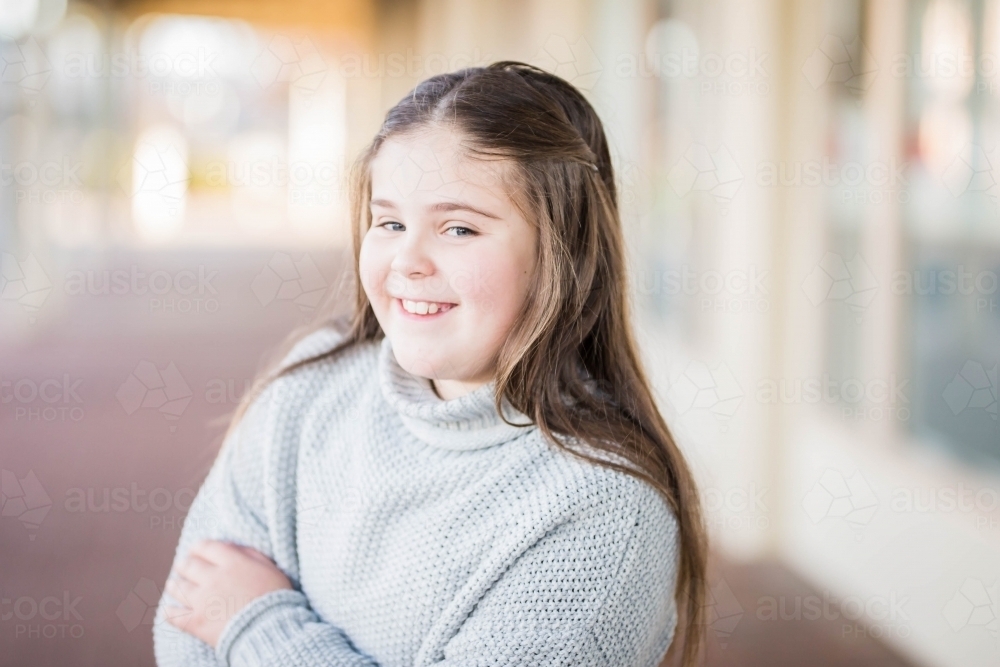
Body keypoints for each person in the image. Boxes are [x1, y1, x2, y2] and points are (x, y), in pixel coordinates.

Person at [153, 61, 707, 667]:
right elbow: (186, 624)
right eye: (389, 221)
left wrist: (255, 622)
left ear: (561, 255)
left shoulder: (604, 513)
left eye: (459, 228)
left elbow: (221, 613)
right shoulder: (311, 384)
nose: (406, 259)